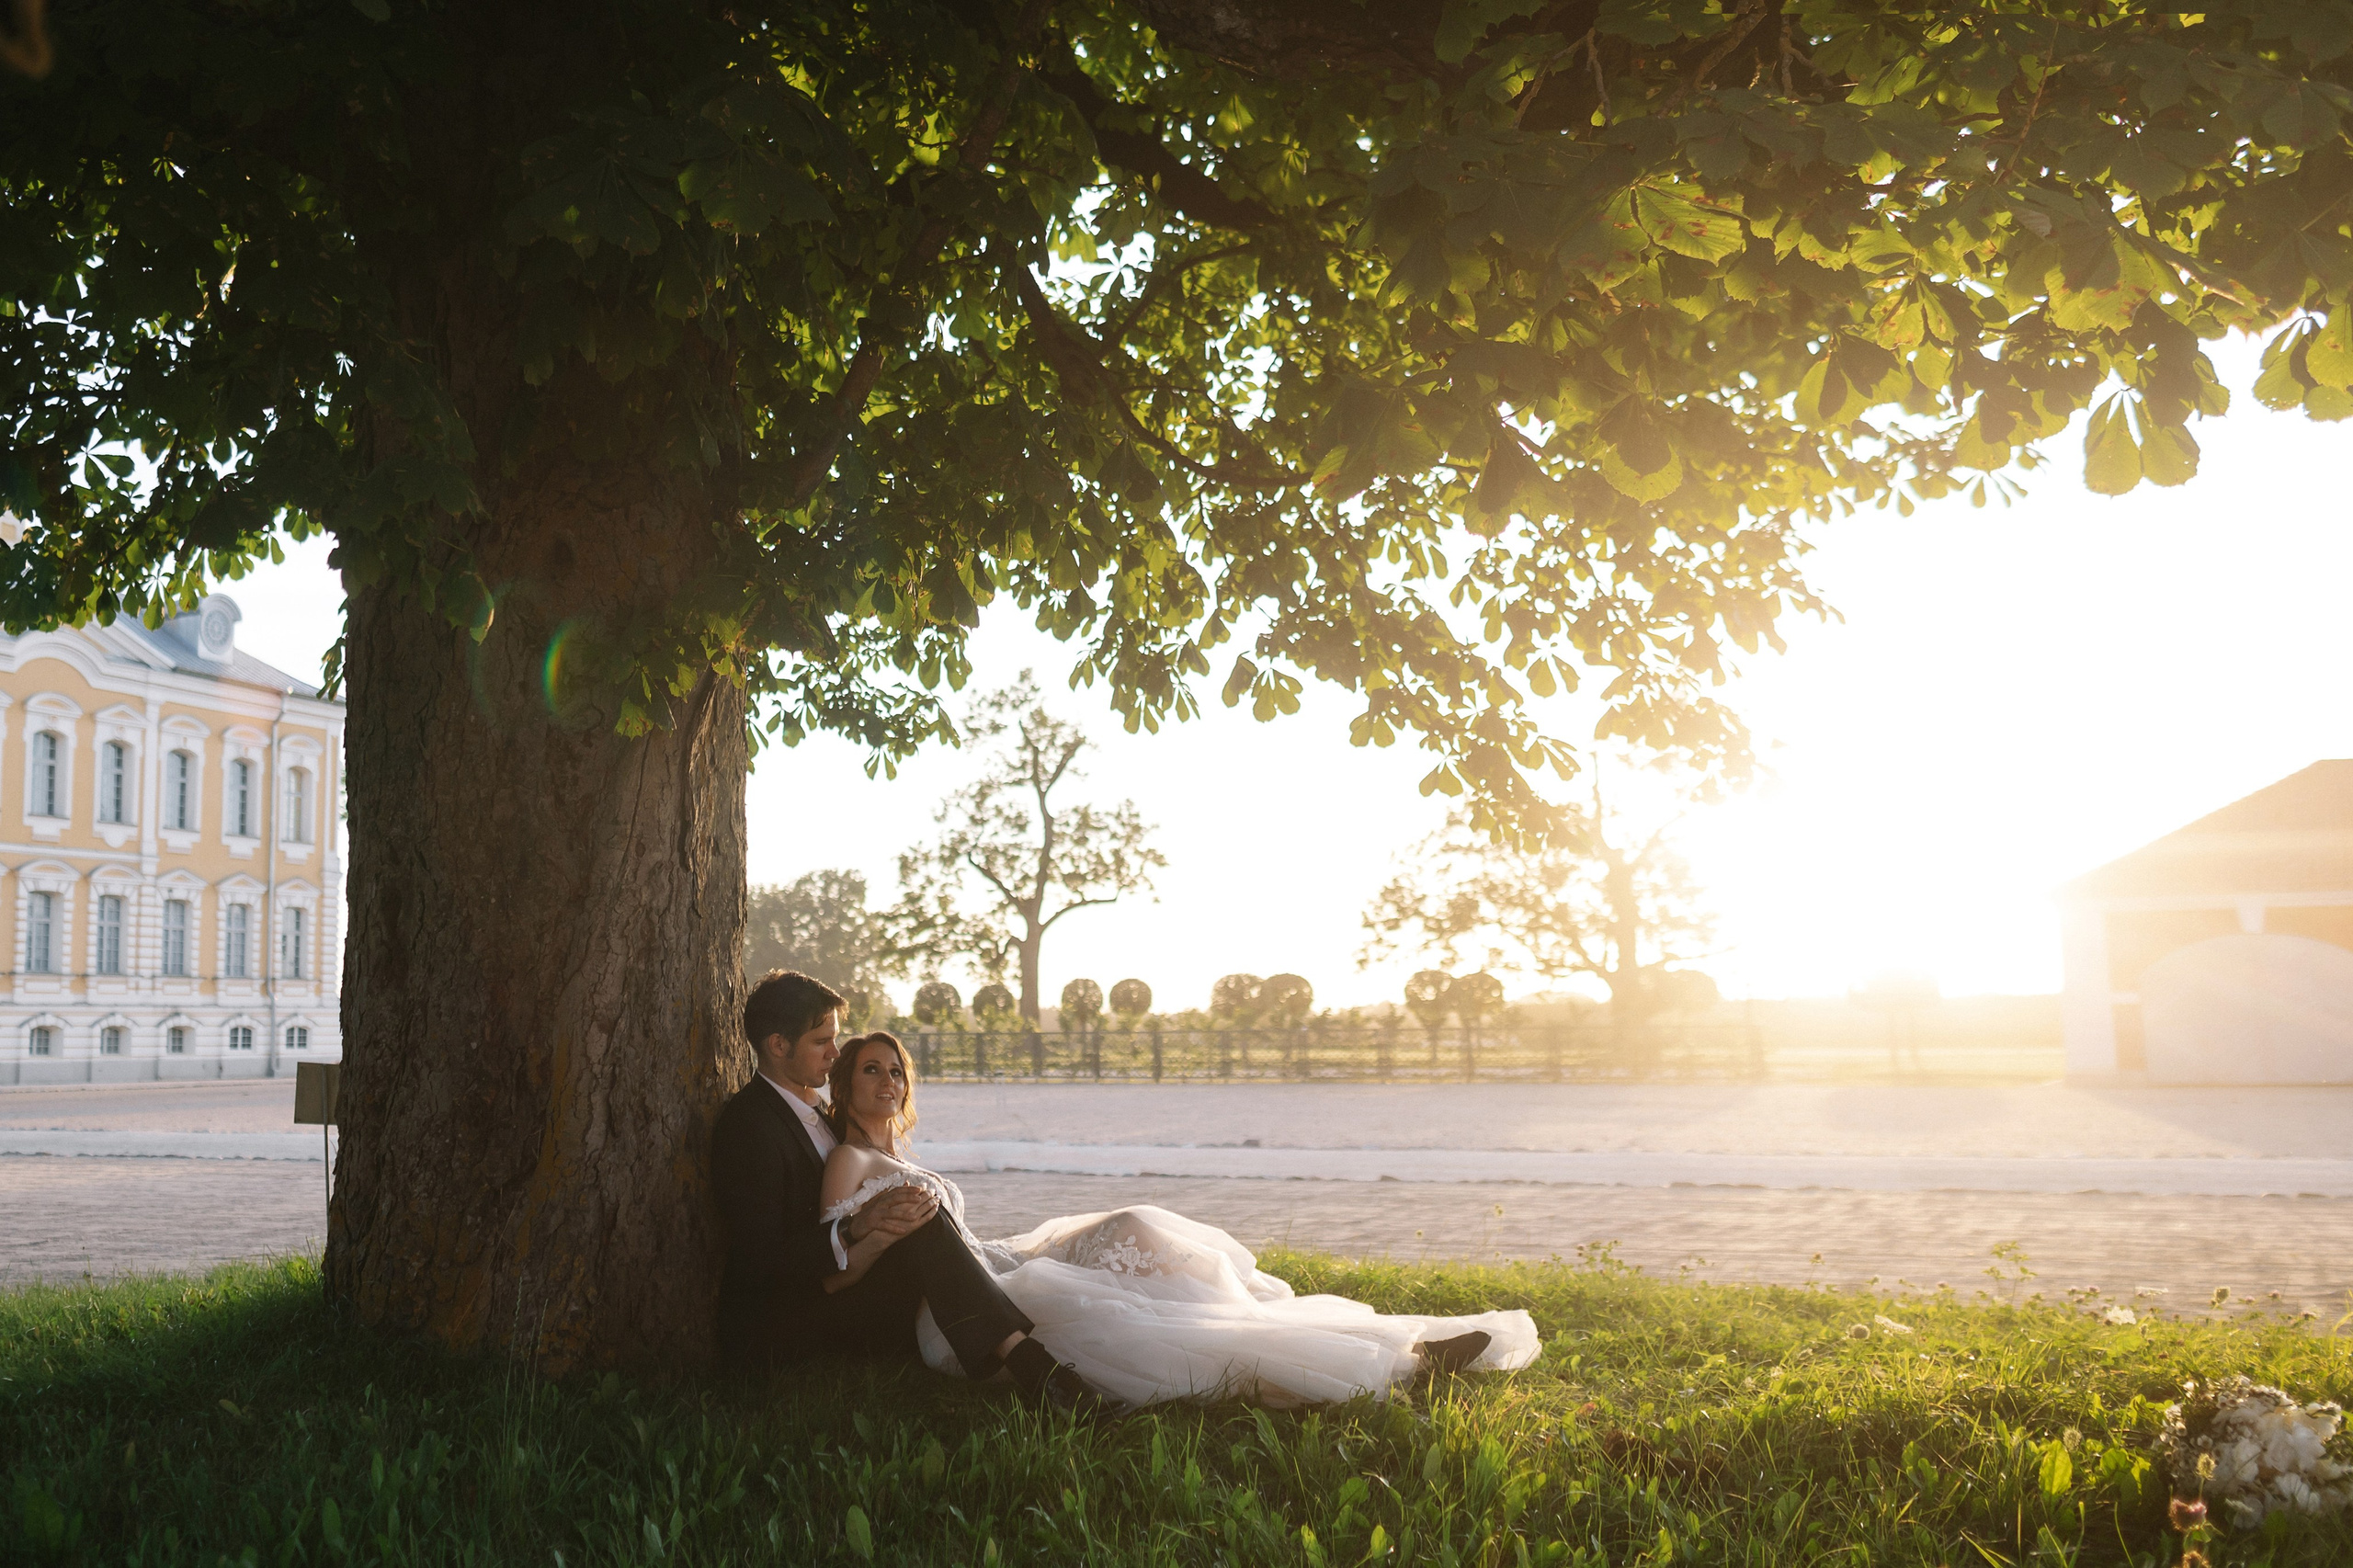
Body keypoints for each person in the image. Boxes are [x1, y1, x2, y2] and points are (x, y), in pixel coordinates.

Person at [817, 1028, 1540, 1409]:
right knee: (1141, 1328)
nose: (888, 1081)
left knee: (1138, 1230)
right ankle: (1388, 1365)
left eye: (896, 1069)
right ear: (844, 1086)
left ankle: (1302, 1328)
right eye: (871, 1070)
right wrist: (877, 1231)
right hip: (963, 1308)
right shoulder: (849, 1159)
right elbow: (835, 1268)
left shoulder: (897, 1153)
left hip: (994, 1258)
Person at [711, 971, 1107, 1415]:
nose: (834, 1053)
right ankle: (1042, 1376)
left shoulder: (818, 1112)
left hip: (852, 1286)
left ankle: (1042, 1375)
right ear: (778, 1045)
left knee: (917, 1213)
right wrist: (856, 1228)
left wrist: (881, 1227)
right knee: (923, 1220)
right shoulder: (749, 1126)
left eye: (835, 1040)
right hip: (791, 1320)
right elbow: (763, 1261)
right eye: (821, 1042)